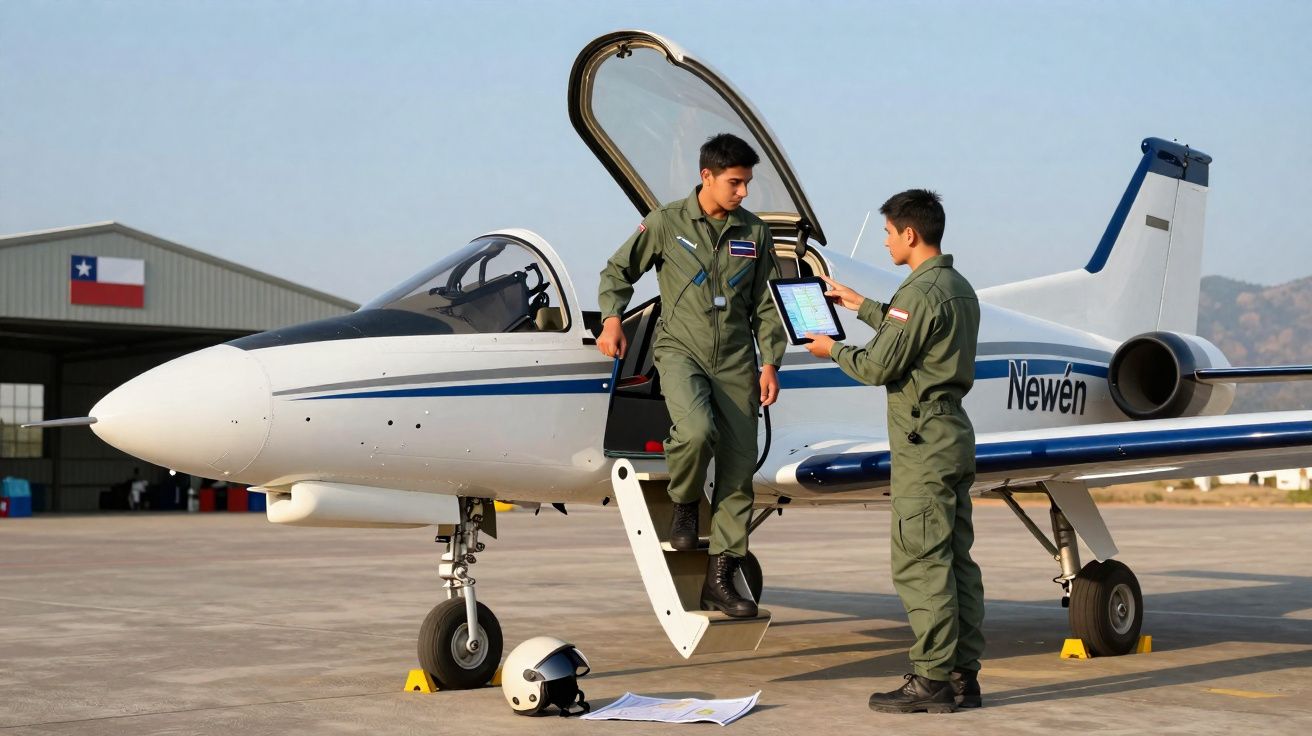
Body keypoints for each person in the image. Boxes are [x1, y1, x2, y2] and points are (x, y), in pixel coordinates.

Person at [802, 189, 984, 713]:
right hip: (952, 433)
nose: (885, 241)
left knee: (920, 562)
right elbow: (918, 334)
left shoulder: (918, 291)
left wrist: (828, 347)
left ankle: (928, 681)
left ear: (909, 233)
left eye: (887, 232)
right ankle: (961, 678)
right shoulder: (957, 288)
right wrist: (860, 305)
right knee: (955, 560)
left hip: (921, 442)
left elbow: (879, 366)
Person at [597, 132, 786, 618]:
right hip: (681, 351)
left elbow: (767, 305)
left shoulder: (754, 233)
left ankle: (720, 580)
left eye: (746, 183)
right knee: (697, 431)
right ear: (707, 176)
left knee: (739, 470)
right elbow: (617, 272)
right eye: (735, 182)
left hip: (738, 362)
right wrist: (613, 319)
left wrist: (770, 362)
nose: (743, 192)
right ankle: (684, 502)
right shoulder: (665, 223)